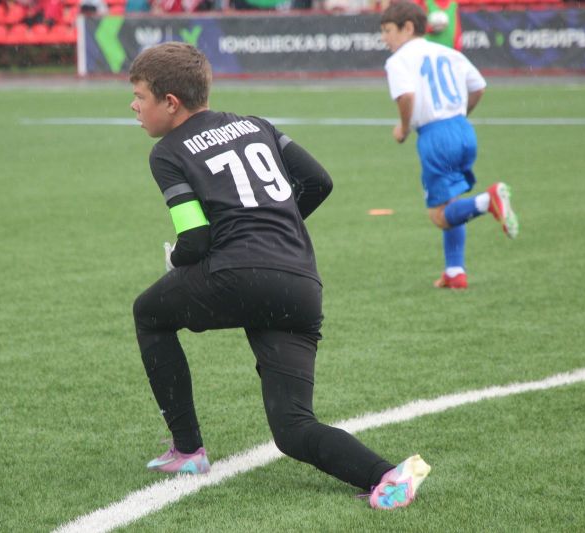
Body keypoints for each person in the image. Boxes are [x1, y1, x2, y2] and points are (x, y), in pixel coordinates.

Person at [129, 42, 430, 510]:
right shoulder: (257, 125)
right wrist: (275, 230)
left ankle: (188, 451)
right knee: (292, 428)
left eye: (139, 96)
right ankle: (387, 474)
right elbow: (319, 182)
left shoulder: (167, 150)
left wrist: (178, 262)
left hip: (238, 275)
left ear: (170, 102)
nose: (133, 106)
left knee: (149, 313)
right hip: (299, 283)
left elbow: (196, 240)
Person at [380, 1, 519, 290]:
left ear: (408, 28)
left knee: (439, 216)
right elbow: (479, 86)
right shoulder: (449, 52)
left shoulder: (398, 60)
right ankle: (455, 271)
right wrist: (458, 116)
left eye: (388, 30)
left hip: (435, 136)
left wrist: (404, 128)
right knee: (451, 200)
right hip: (463, 129)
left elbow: (406, 96)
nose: (384, 38)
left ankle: (488, 200)